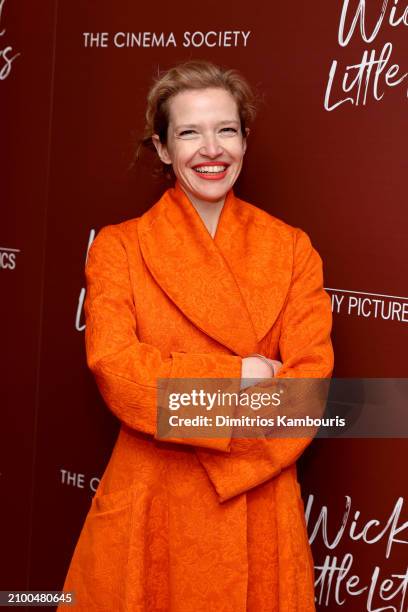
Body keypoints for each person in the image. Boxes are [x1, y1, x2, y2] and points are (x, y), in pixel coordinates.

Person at [59, 60, 333, 611]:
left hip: (257, 511)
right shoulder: (119, 248)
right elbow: (119, 374)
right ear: (162, 149)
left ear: (245, 140)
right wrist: (241, 377)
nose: (212, 149)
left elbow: (308, 394)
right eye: (189, 132)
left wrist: (180, 393)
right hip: (153, 510)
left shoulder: (292, 249)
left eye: (226, 130)